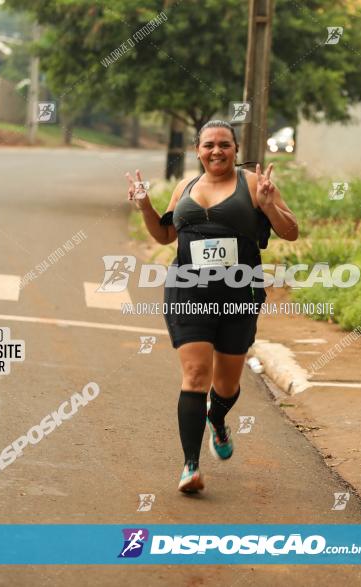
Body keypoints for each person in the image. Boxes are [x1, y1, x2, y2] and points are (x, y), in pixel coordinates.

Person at [126, 120, 298, 493]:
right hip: (188, 290)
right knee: (195, 374)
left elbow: (291, 231)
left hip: (239, 293)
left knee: (226, 383)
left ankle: (217, 420)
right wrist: (145, 206)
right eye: (208, 145)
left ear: (235, 149)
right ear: (197, 150)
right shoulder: (185, 187)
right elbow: (166, 234)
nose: (216, 151)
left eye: (224, 144)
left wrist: (269, 207)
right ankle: (190, 466)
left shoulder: (252, 184)